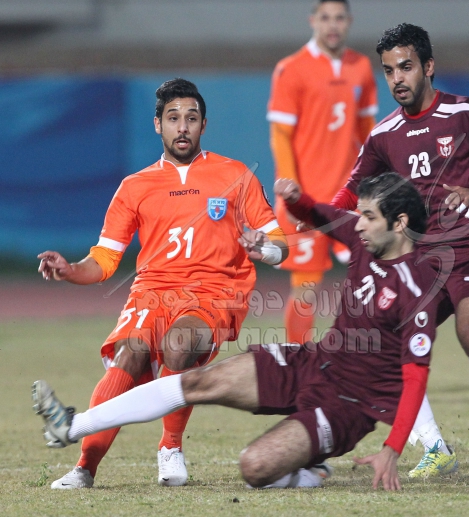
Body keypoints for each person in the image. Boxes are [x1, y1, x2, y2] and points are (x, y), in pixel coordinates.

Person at [33, 172, 444, 491]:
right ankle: (72, 426)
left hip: (348, 405)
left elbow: (415, 378)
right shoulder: (363, 238)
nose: (359, 225)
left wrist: (392, 449)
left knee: (254, 467)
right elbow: (319, 215)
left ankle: (311, 470)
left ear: (400, 223)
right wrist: (295, 199)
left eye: (369, 217)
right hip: (313, 362)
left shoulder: (418, 287)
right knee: (197, 382)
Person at [36, 78, 288, 489]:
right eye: (173, 118)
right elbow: (104, 259)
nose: (182, 127)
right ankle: (85, 467)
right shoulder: (135, 186)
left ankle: (170, 447)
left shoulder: (235, 175)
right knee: (130, 356)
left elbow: (278, 242)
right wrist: (70, 270)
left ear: (204, 124)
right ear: (158, 125)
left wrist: (267, 249)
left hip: (213, 293)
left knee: (179, 344)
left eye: (191, 118)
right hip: (152, 291)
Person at [332, 23, 469, 477]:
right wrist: (313, 213)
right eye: (388, 71)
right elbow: (349, 192)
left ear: (428, 67)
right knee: (380, 343)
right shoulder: (384, 134)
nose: (397, 78)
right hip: (423, 258)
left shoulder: (467, 113)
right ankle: (435, 448)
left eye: (405, 67)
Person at [267, 0, 378, 344]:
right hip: (308, 198)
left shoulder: (361, 67)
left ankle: (371, 359)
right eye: (326, 18)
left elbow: (367, 131)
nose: (333, 25)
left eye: (339, 18)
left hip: (350, 197)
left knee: (374, 276)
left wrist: (378, 178)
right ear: (313, 21)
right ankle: (297, 360)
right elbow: (281, 134)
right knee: (306, 286)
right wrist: (291, 188)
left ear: (349, 22)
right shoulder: (291, 69)